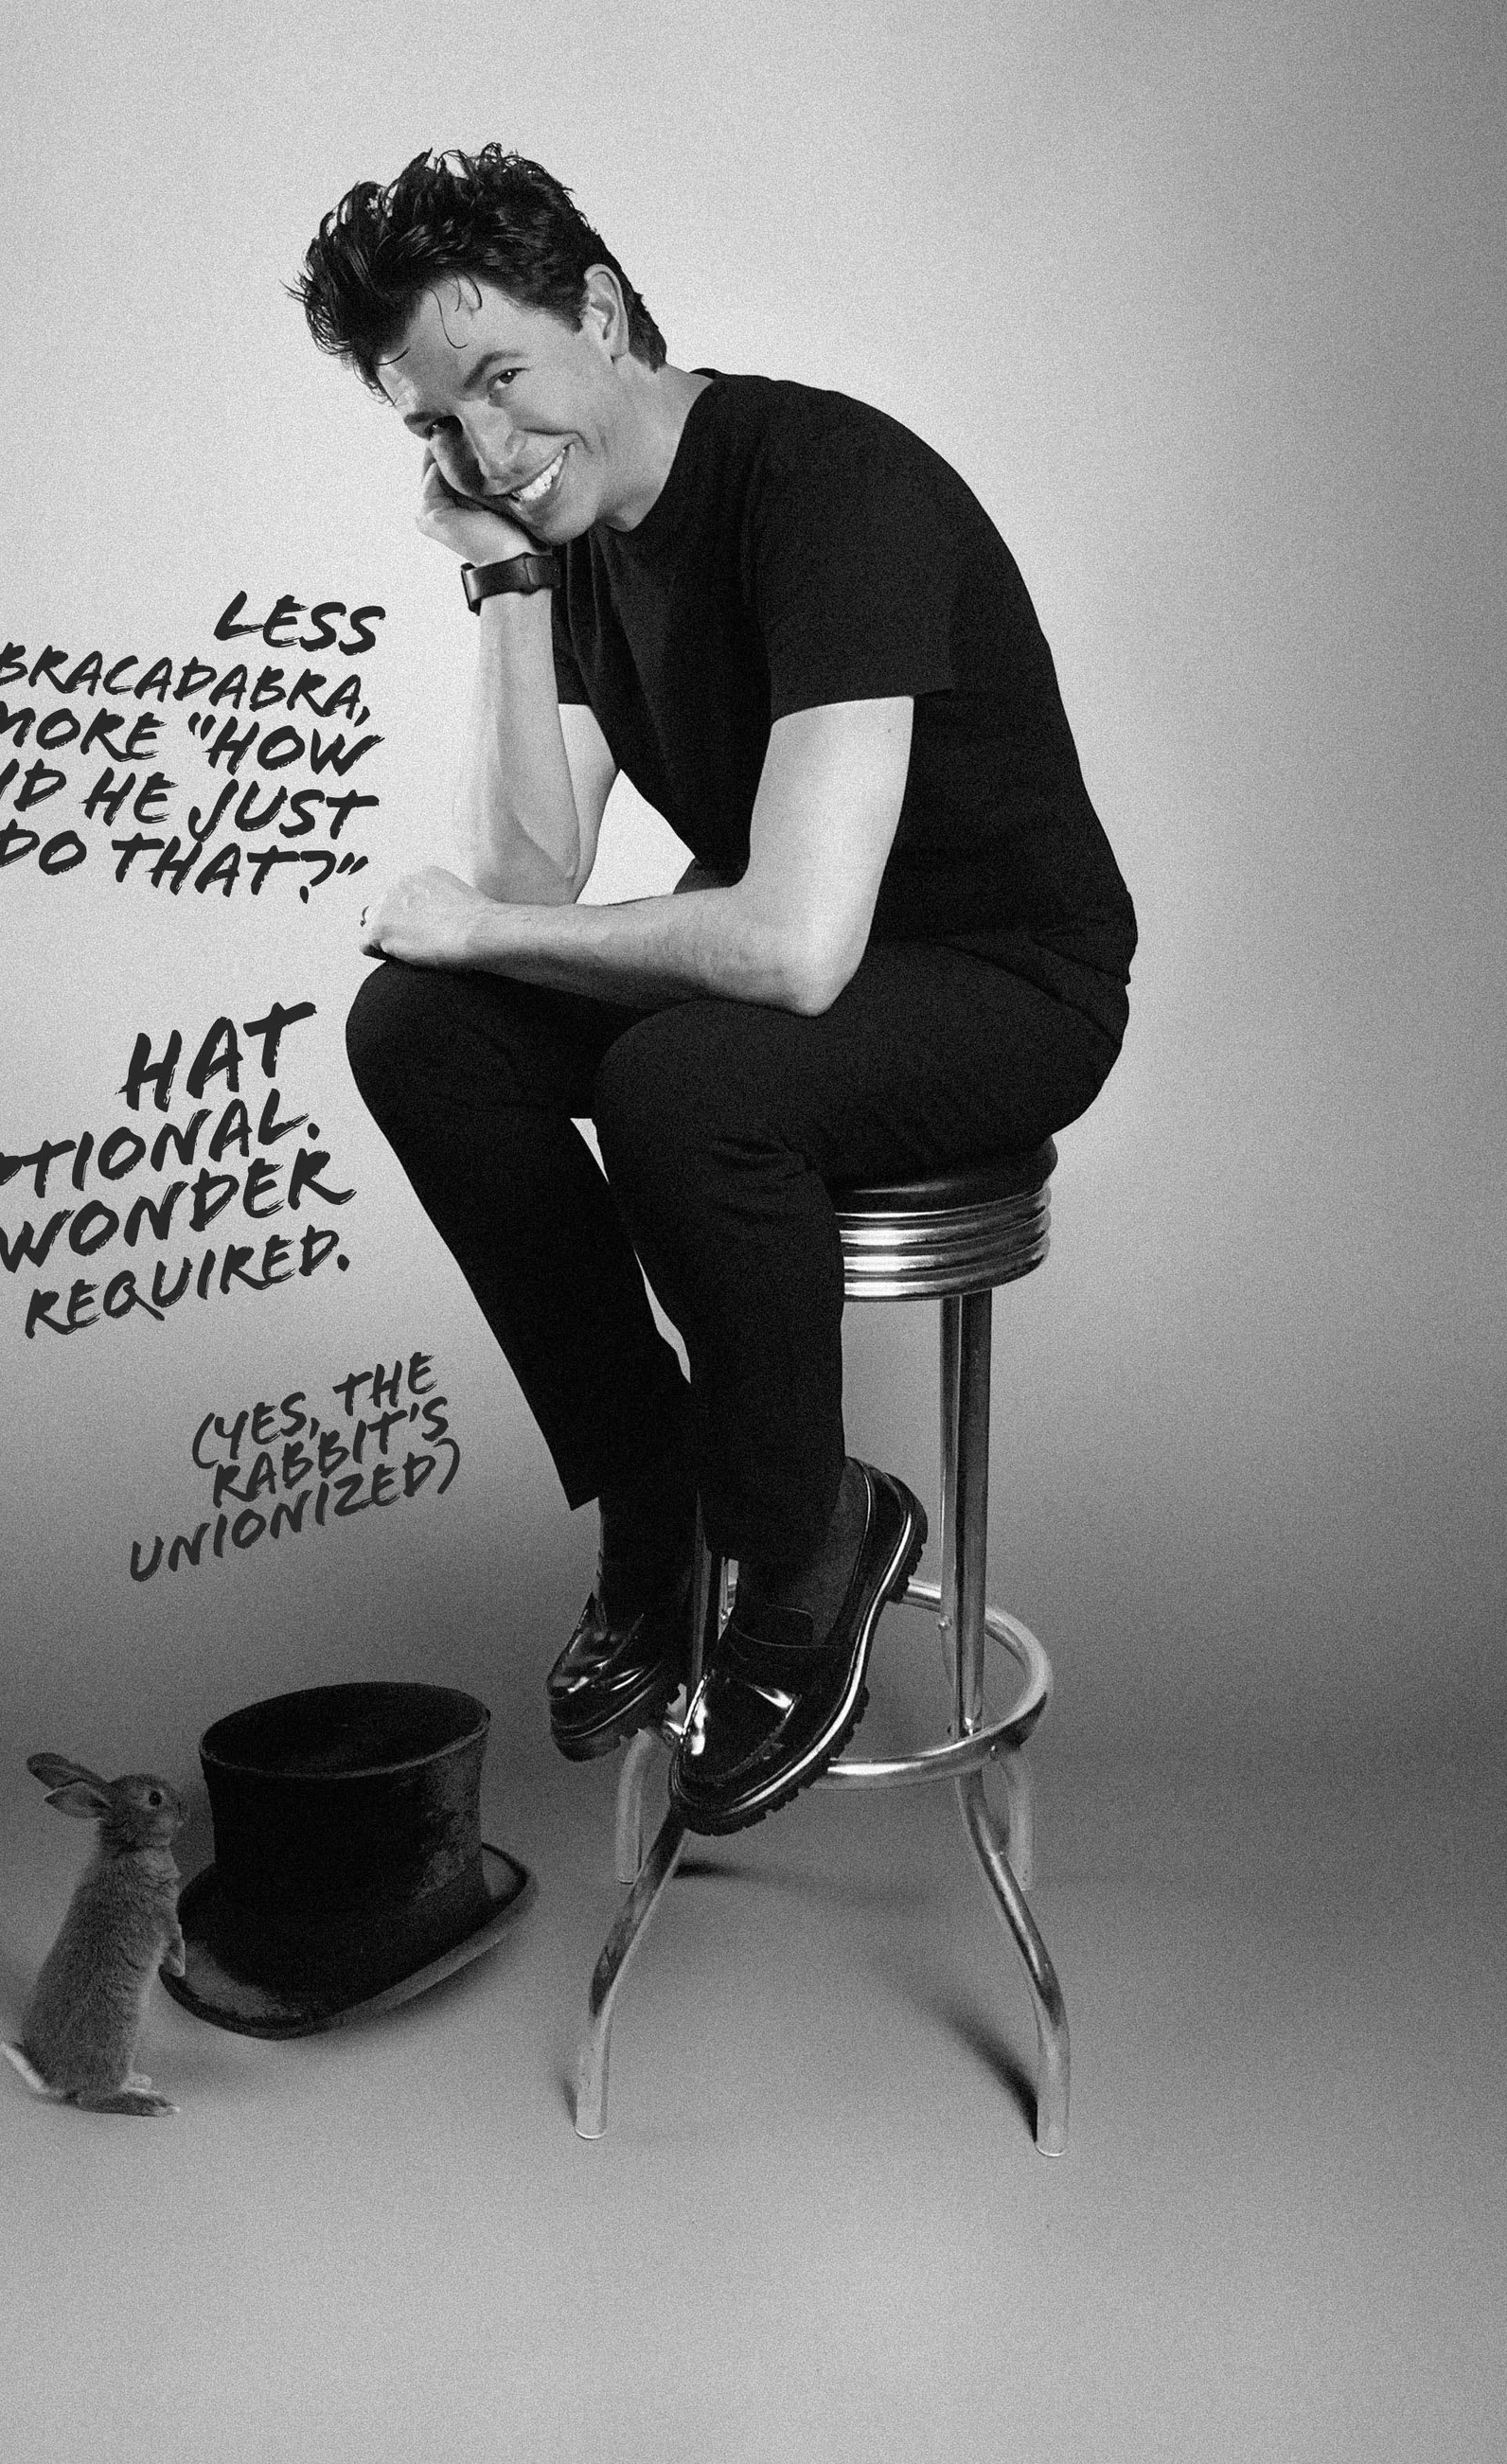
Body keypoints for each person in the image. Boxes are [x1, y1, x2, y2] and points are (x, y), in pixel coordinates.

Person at [293, 147, 1135, 1836]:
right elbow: (529, 885)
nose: (485, 450)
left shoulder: (830, 484)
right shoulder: (583, 534)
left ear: (599, 312)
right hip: (801, 963)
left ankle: (808, 1535)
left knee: (691, 1080)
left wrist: (476, 925)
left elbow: (797, 949)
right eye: (432, 427)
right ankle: (656, 1497)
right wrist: (511, 584)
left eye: (503, 380)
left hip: (997, 978)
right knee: (423, 1031)